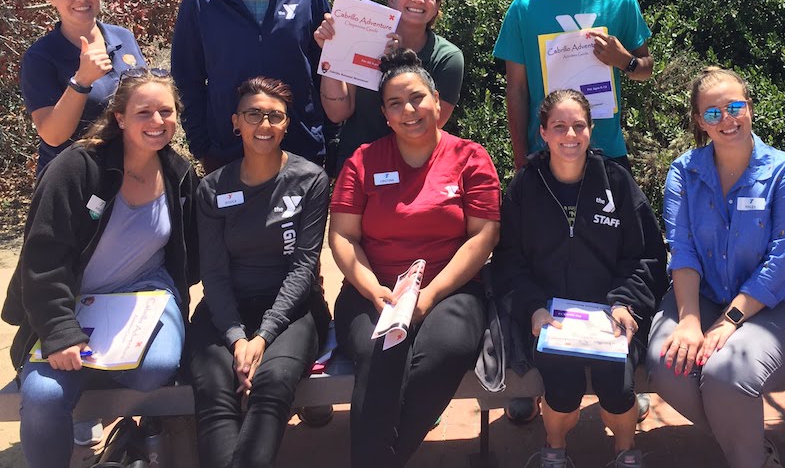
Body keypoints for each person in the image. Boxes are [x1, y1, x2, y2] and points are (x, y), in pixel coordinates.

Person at [2, 69, 198, 468]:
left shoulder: (179, 174)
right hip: (71, 301)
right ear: (120, 116)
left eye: (166, 111)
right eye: (144, 112)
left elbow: (190, 254)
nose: (158, 122)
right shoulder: (77, 168)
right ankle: (79, 406)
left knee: (156, 367)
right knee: (43, 399)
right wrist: (58, 333)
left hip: (144, 292)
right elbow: (43, 258)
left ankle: (119, 427)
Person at [329, 48, 500, 467]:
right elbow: (343, 237)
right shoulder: (363, 161)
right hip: (374, 291)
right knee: (380, 354)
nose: (409, 110)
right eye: (395, 103)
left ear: (438, 101)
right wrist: (375, 290)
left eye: (417, 98)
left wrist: (431, 294)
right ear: (384, 114)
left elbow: (483, 236)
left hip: (450, 290)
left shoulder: (470, 157)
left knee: (442, 353)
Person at [646, 66, 785, 468]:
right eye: (713, 113)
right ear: (699, 121)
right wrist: (688, 319)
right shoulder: (684, 172)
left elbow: (783, 261)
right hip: (699, 297)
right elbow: (682, 248)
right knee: (667, 362)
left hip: (778, 306)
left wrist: (730, 320)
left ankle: (749, 461)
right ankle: (753, 449)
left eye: (735, 106)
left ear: (750, 108)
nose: (727, 119)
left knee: (726, 374)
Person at [493, 89, 666, 468]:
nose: (569, 135)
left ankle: (625, 453)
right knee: (561, 383)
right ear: (543, 133)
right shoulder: (526, 185)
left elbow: (647, 255)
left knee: (617, 385)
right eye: (559, 127)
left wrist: (627, 304)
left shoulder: (617, 182)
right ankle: (555, 451)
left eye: (578, 126)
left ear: (590, 131)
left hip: (611, 315)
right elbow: (508, 259)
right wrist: (534, 308)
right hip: (550, 318)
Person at [187, 77, 331, 468]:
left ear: (286, 125)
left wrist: (263, 337)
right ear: (236, 122)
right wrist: (237, 338)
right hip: (225, 310)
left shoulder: (310, 180)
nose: (263, 125)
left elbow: (303, 268)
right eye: (253, 114)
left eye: (275, 116)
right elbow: (213, 273)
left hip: (293, 311)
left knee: (272, 383)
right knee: (216, 391)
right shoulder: (213, 188)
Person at [172, 0, 331, 174]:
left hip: (300, 151)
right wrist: (203, 148)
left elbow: (328, 73)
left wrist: (326, 140)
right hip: (227, 155)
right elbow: (187, 82)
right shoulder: (200, 1)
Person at [493, 0, 653, 172]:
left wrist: (625, 61)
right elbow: (517, 89)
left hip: (608, 154)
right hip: (544, 154)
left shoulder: (621, 2)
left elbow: (645, 70)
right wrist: (521, 160)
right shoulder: (523, 9)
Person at [315, 0, 463, 173]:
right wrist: (333, 51)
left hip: (411, 173)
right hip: (357, 168)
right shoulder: (364, 37)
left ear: (437, 7)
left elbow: (426, 128)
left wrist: (396, 64)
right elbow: (337, 113)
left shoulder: (447, 57)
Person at [20, 0, 146, 177]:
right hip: (72, 181)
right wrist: (81, 82)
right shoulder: (41, 56)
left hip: (127, 172)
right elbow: (53, 135)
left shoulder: (123, 37)